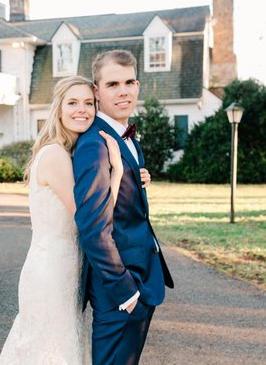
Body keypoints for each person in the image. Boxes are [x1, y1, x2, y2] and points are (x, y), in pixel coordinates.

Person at [0, 76, 151, 364]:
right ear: (58, 109)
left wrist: (135, 175)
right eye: (72, 103)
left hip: (69, 270)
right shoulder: (55, 155)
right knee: (49, 352)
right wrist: (118, 172)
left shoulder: (69, 153)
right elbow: (91, 215)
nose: (81, 110)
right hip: (52, 273)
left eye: (88, 103)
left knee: (65, 349)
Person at [73, 50, 174, 365]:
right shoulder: (95, 145)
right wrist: (126, 291)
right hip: (118, 287)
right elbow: (93, 228)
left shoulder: (127, 138)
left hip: (143, 272)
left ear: (139, 85)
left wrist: (138, 177)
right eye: (113, 83)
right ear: (96, 90)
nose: (123, 91)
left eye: (129, 82)